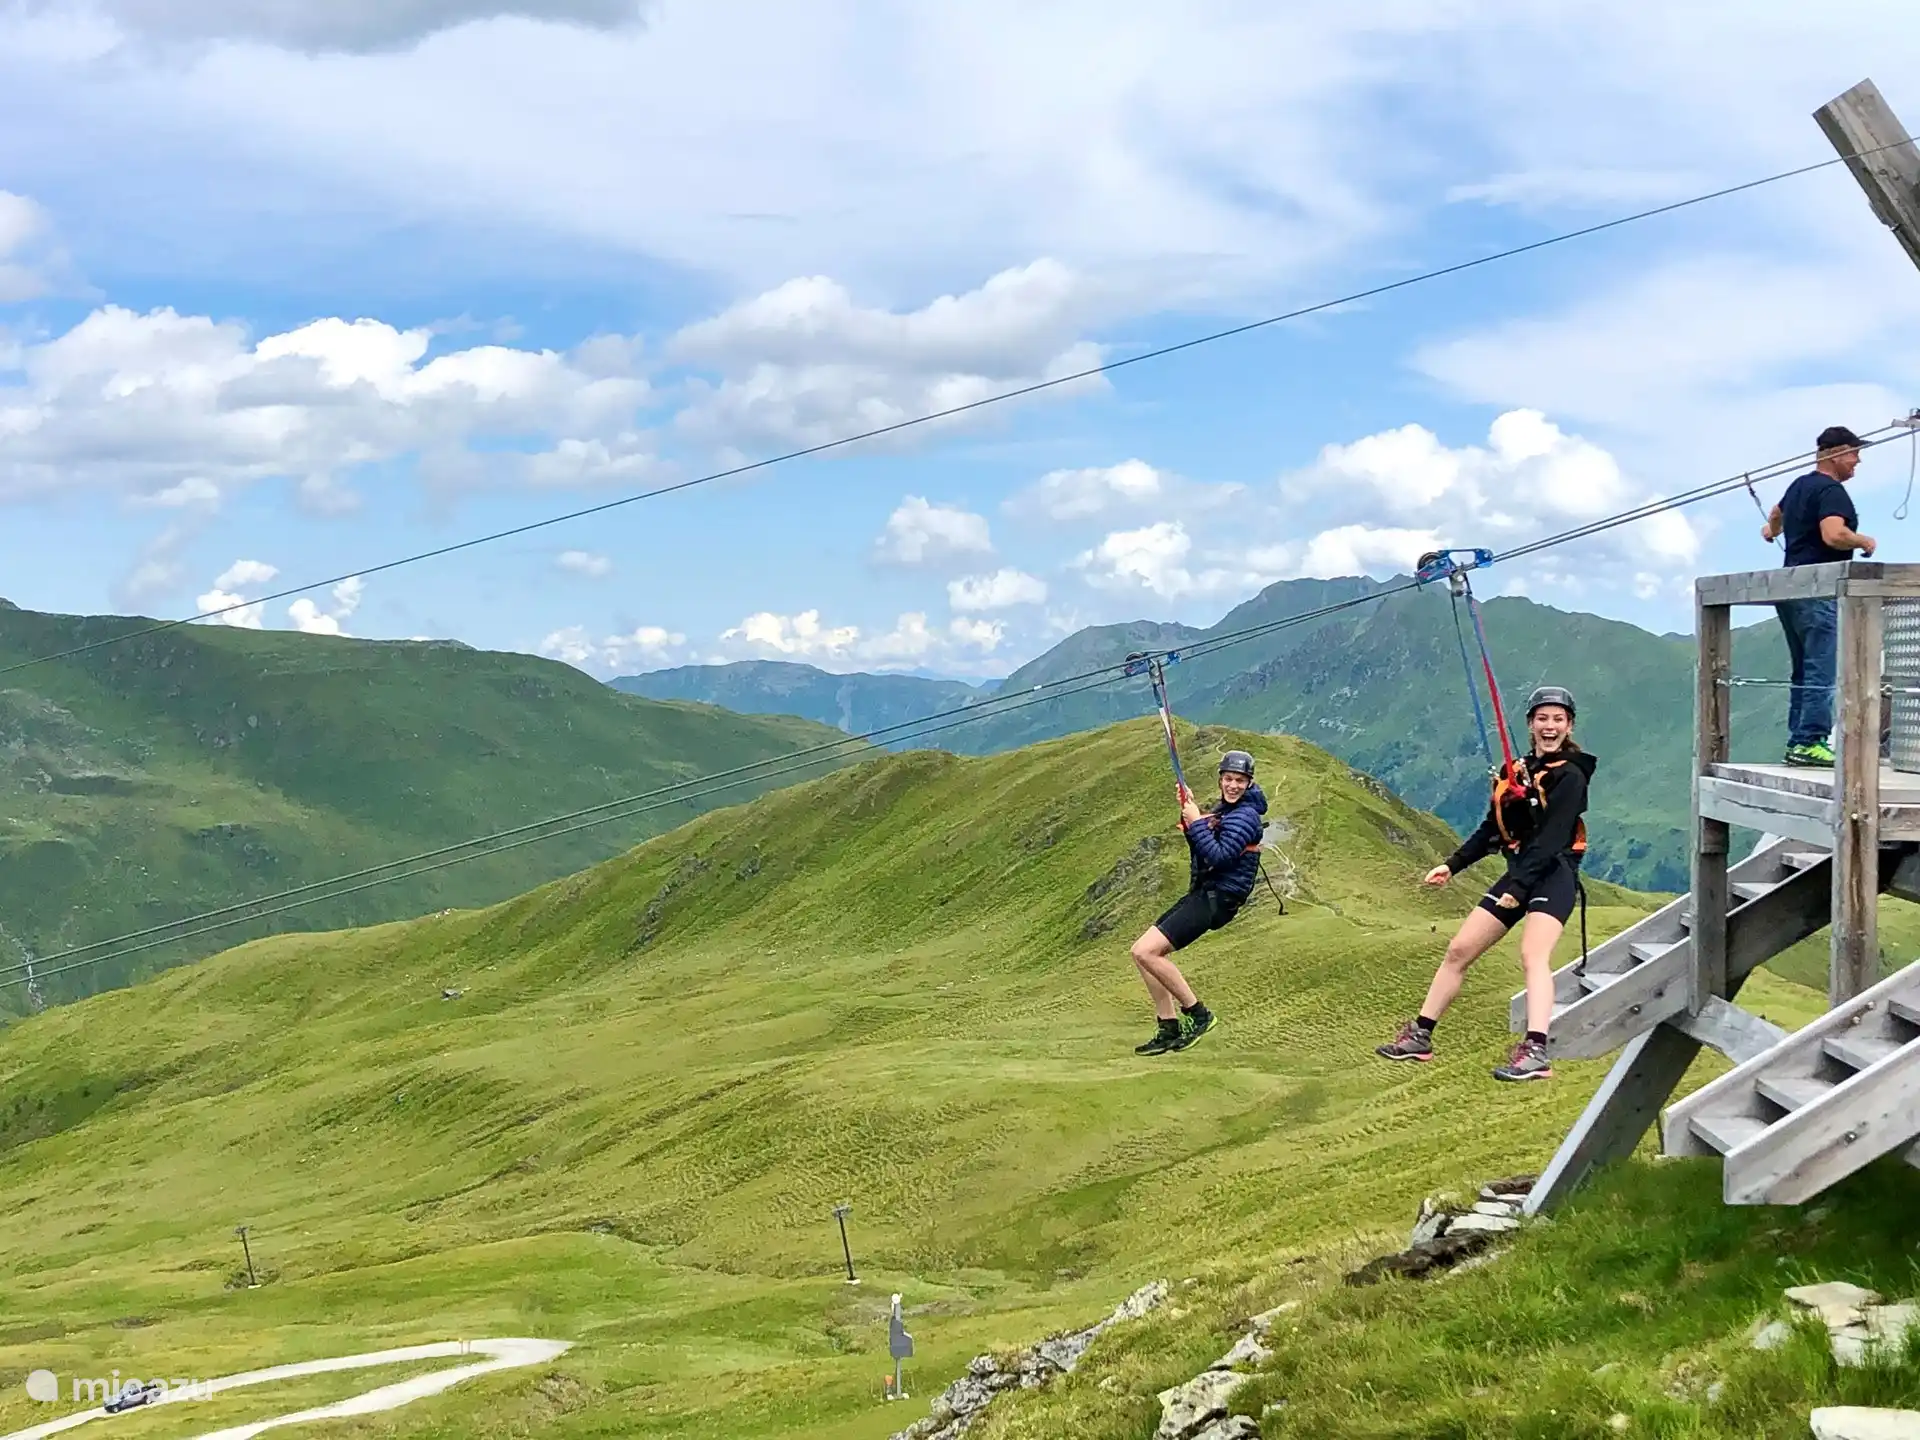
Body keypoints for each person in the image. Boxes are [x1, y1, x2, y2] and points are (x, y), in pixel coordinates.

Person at [1375, 687, 1594, 1083]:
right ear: (1531, 724)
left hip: (1553, 873)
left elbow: (1552, 838)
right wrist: (1452, 865)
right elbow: (1492, 829)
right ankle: (1421, 1035)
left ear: (1569, 725)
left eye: (1557, 719)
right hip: (1520, 872)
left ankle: (1536, 1051)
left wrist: (1520, 886)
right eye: (1542, 719)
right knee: (1459, 949)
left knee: (1533, 955)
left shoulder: (1571, 776)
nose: (1550, 726)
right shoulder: (1519, 772)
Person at [1130, 749, 1268, 1056]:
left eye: (1240, 781)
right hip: (1206, 892)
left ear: (1249, 783)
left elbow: (1218, 857)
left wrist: (1195, 823)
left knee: (1147, 951)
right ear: (1220, 780)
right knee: (1140, 953)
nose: (1233, 785)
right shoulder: (1227, 811)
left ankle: (1198, 1014)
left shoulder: (1245, 816)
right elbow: (1202, 847)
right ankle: (1168, 1026)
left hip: (1219, 897)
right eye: (1229, 779)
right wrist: (1189, 812)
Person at [1761, 426, 1876, 767]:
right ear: (1836, 454)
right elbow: (1833, 534)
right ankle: (1810, 740)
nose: (1857, 462)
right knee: (1821, 669)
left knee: (1803, 669)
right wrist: (1863, 541)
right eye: (1854, 454)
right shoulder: (1831, 491)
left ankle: (1799, 740)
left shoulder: (1799, 485)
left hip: (1790, 591)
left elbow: (1775, 516)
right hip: (1819, 590)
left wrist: (1773, 533)